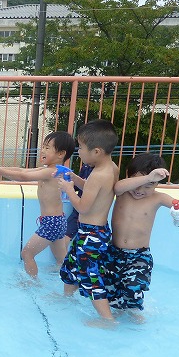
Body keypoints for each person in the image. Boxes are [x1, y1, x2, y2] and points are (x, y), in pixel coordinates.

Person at [104, 153, 179, 318]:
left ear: (157, 183)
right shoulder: (123, 192)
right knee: (111, 290)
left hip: (139, 256)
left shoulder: (157, 198)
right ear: (129, 177)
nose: (140, 190)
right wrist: (148, 178)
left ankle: (136, 318)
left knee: (133, 289)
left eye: (149, 185)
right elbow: (117, 187)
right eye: (138, 182)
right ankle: (114, 318)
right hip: (113, 252)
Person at [0, 131, 76, 277]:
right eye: (43, 146)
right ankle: (70, 280)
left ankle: (33, 284)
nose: (42, 150)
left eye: (47, 148)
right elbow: (22, 170)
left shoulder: (52, 172)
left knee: (27, 253)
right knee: (61, 260)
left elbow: (23, 176)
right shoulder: (50, 170)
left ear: (61, 154)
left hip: (51, 223)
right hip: (58, 220)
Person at [57, 119, 120, 321]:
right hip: (93, 232)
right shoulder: (111, 168)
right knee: (70, 266)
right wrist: (76, 179)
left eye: (81, 148)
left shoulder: (98, 175)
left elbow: (83, 206)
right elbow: (95, 191)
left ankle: (107, 319)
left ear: (97, 151)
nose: (79, 152)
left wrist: (69, 189)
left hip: (91, 235)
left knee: (91, 277)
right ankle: (66, 299)